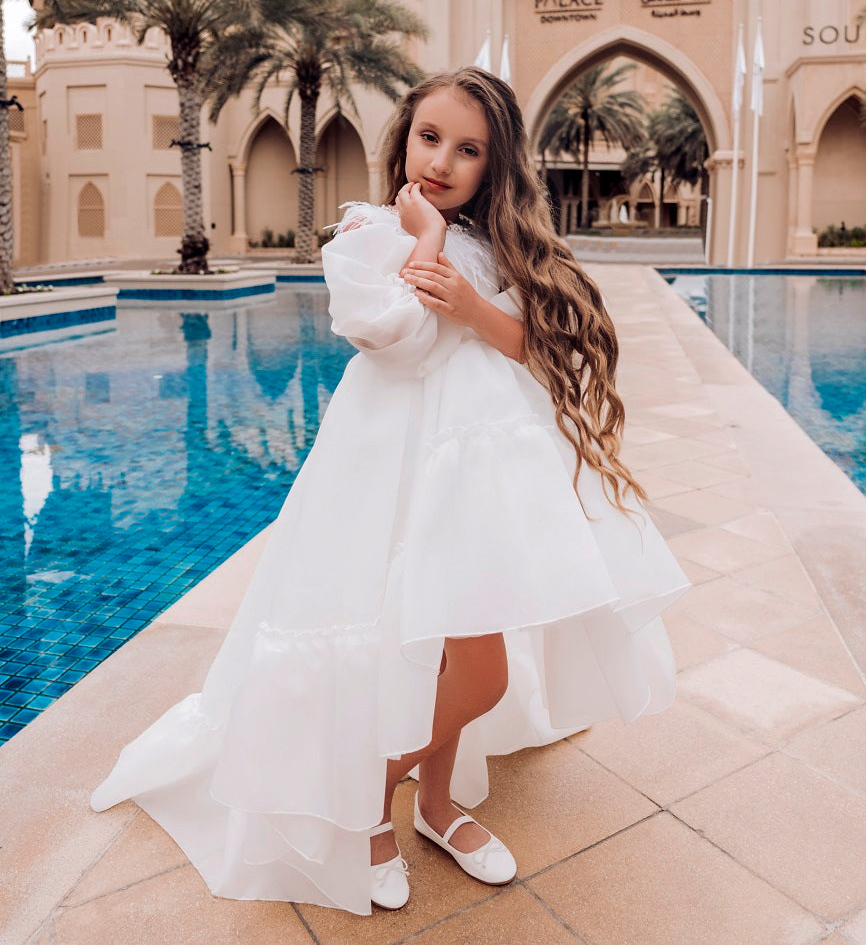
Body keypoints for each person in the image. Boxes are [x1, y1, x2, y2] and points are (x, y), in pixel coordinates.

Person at [91, 67, 690, 917]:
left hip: (475, 476)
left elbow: (527, 344)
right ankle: (373, 803)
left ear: (497, 164)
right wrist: (425, 244)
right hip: (389, 469)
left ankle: (433, 804)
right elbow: (386, 338)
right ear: (404, 137)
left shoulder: (500, 244)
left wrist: (470, 297)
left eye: (469, 148)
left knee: (473, 663)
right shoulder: (371, 230)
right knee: (403, 641)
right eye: (430, 137)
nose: (443, 160)